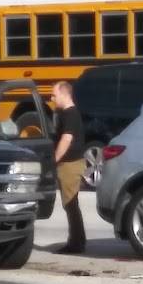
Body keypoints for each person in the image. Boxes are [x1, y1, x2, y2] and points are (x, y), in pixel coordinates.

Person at [52, 81, 86, 253]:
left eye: (54, 95)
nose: (52, 98)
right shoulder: (66, 114)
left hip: (70, 165)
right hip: (70, 164)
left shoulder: (70, 114)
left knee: (71, 204)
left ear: (64, 94)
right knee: (71, 204)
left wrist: (55, 159)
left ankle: (76, 243)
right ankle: (77, 240)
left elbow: (66, 139)